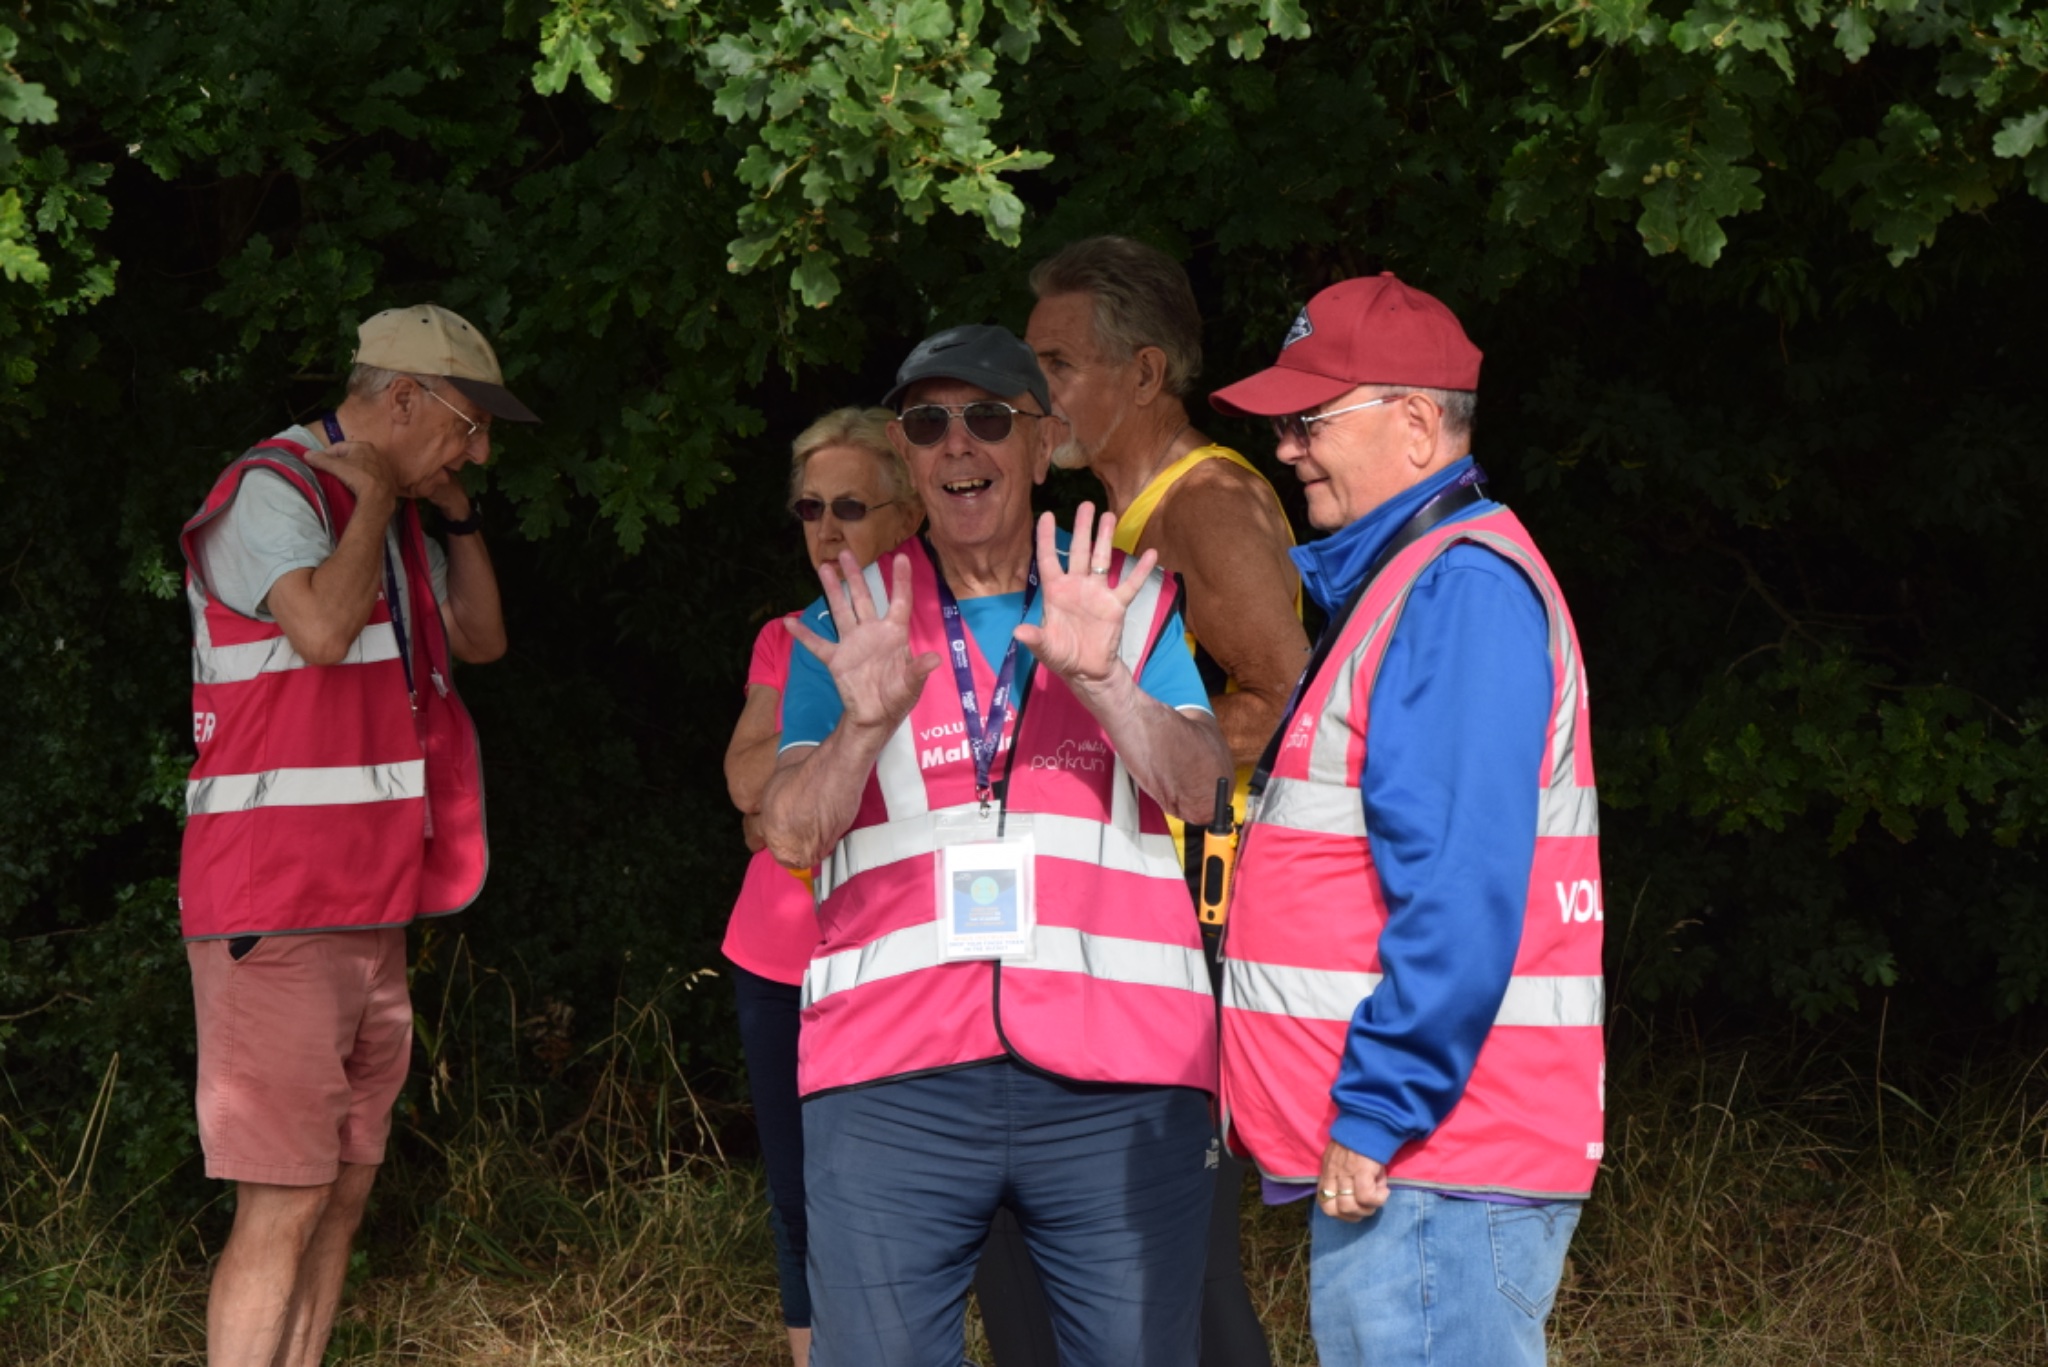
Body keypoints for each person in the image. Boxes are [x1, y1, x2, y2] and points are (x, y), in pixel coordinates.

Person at [759, 324, 1234, 1367]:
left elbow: (1203, 791)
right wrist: (861, 725)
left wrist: (1107, 682)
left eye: (987, 417)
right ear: (904, 450)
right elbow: (787, 830)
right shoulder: (849, 622)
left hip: (1117, 1068)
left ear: (1044, 440)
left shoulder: (1123, 601)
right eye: (929, 423)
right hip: (892, 1076)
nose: (958, 444)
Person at [1211, 273, 1605, 1367]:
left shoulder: (1455, 590)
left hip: (1433, 1156)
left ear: (1418, 424)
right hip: (1427, 1157)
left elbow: (1460, 889)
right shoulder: (1413, 582)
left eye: (1309, 420)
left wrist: (1379, 1107)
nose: (1285, 448)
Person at [966, 234, 1308, 1367]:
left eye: (1056, 365)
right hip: (1125, 914)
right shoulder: (1114, 515)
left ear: (1146, 371)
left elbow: (1286, 694)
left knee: (1180, 1256)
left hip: (1200, 917)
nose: (1032, 393)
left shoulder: (1205, 501)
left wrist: (1137, 755)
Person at [179, 303, 536, 1367]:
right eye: (469, 426)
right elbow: (324, 630)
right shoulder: (273, 489)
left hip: (369, 902)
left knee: (339, 1192)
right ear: (404, 399)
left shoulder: (398, 516)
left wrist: (453, 516)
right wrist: (375, 499)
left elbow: (483, 639)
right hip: (276, 902)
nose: (479, 450)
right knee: (284, 1199)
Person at [721, 406, 923, 1367]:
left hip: (896, 954)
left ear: (909, 514)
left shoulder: (949, 630)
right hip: (776, 957)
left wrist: (793, 795)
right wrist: (793, 795)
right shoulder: (788, 633)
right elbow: (744, 779)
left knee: (913, 1194)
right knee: (798, 1194)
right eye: (811, 508)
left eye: (850, 506)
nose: (828, 529)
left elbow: (783, 800)